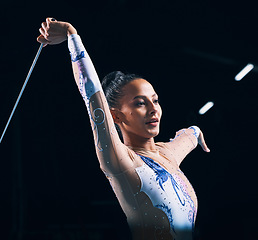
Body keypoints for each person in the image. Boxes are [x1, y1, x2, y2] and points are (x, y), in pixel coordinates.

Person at [37, 17, 210, 240]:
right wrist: (72, 35)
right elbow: (91, 94)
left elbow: (189, 136)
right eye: (140, 103)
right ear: (115, 116)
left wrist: (195, 132)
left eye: (155, 100)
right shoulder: (121, 161)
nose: (153, 109)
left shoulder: (166, 154)